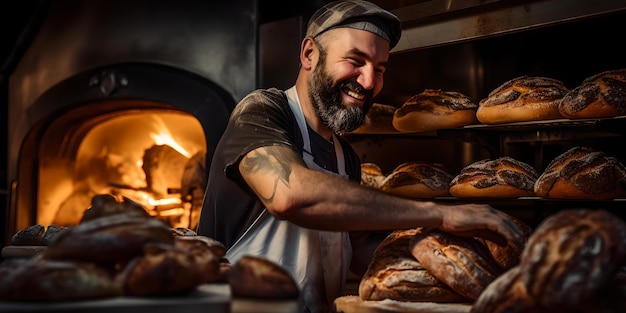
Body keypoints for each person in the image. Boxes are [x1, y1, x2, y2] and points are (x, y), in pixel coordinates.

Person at [197, 1, 525, 312]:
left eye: (379, 69)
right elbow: (291, 195)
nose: (369, 82)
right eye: (355, 61)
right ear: (309, 53)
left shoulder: (345, 158)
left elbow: (358, 251)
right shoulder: (262, 112)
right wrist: (438, 215)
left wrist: (440, 256)